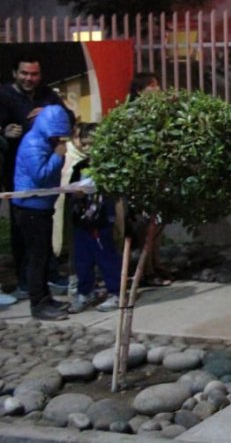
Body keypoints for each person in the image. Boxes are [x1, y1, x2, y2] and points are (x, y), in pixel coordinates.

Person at [2, 53, 71, 300]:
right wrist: (4, 131)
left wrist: (49, 113)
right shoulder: (4, 95)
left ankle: (47, 275)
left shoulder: (47, 94)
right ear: (15, 73)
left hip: (44, 174)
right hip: (17, 170)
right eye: (24, 73)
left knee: (42, 229)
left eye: (34, 74)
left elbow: (67, 117)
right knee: (24, 228)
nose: (29, 79)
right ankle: (28, 281)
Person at [12, 104, 72, 321]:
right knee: (37, 258)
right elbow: (40, 175)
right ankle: (38, 303)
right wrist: (57, 156)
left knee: (44, 255)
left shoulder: (44, 141)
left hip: (41, 206)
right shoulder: (33, 143)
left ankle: (45, 298)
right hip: (30, 208)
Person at [64, 123, 122, 313]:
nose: (88, 148)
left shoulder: (110, 167)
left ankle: (115, 292)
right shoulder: (80, 166)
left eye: (92, 144)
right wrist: (75, 193)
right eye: (85, 144)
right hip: (82, 219)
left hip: (101, 219)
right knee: (82, 258)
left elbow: (115, 192)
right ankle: (85, 292)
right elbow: (70, 189)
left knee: (106, 256)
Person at [123, 71, 173, 288]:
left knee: (157, 224)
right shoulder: (132, 115)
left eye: (157, 85)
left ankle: (155, 263)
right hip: (142, 178)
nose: (157, 89)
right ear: (139, 90)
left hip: (158, 175)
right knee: (146, 226)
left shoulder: (159, 113)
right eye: (152, 85)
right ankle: (147, 270)